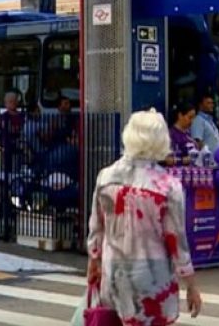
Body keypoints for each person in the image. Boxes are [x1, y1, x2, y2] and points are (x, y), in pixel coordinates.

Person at [86, 109, 201, 325]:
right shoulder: (167, 186)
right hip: (151, 280)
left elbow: (96, 230)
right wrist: (191, 285)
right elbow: (177, 243)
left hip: (113, 275)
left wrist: (93, 263)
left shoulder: (106, 176)